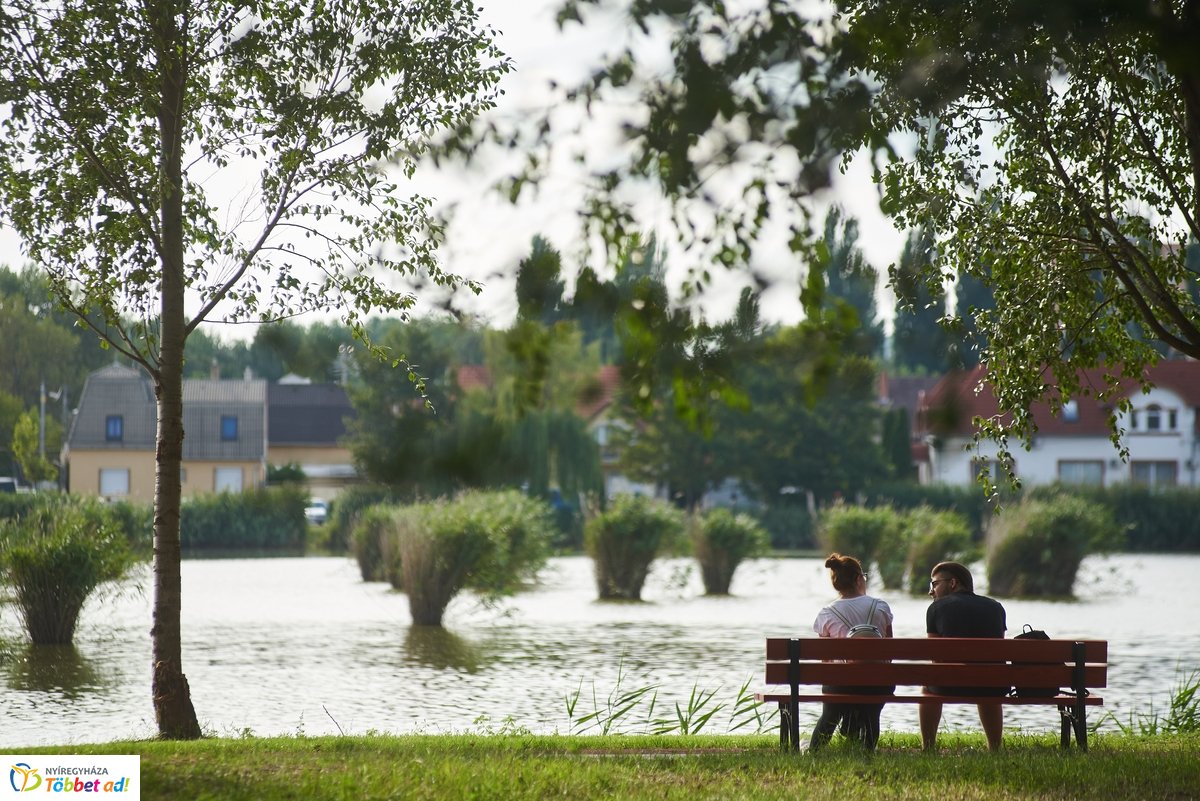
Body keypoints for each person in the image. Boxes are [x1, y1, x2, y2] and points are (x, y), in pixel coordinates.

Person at [809, 553, 894, 751]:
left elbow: (825, 659)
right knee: (871, 712)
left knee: (831, 710)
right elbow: (889, 649)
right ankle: (867, 750)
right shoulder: (881, 606)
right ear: (858, 579)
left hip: (841, 685)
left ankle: (815, 751)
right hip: (878, 684)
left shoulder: (827, 613)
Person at [920, 560, 1007, 751]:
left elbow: (935, 656)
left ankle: (928, 747)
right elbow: (997, 650)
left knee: (927, 688)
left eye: (934, 584)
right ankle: (995, 747)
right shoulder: (996, 607)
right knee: (988, 682)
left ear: (952, 583)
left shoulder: (936, 608)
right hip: (993, 685)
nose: (930, 591)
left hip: (949, 686)